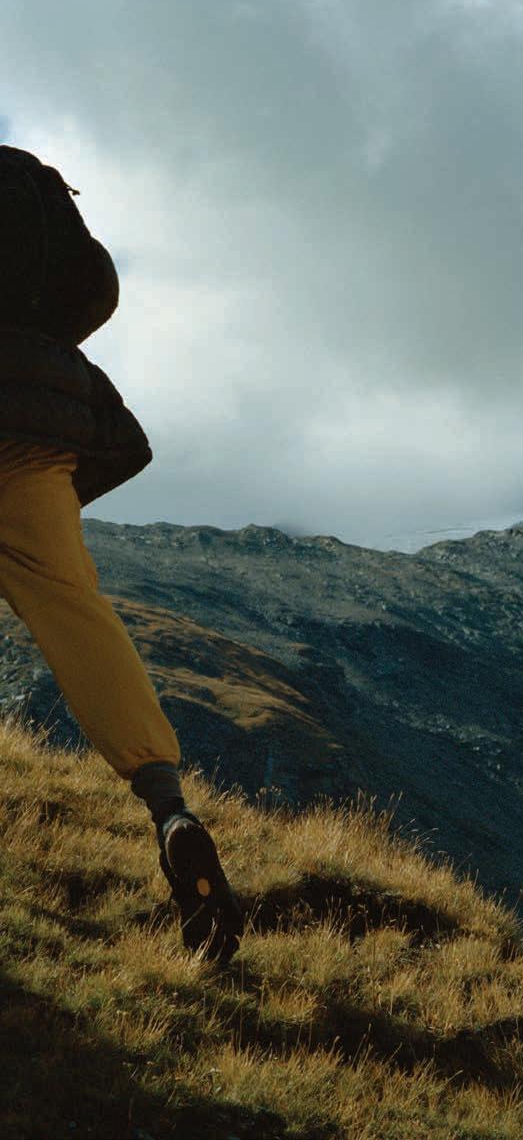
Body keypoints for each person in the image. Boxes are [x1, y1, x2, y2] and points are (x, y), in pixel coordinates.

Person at [0, 145, 243, 963]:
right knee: (77, 613)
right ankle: (168, 804)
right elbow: (93, 291)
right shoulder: (27, 184)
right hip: (37, 437)